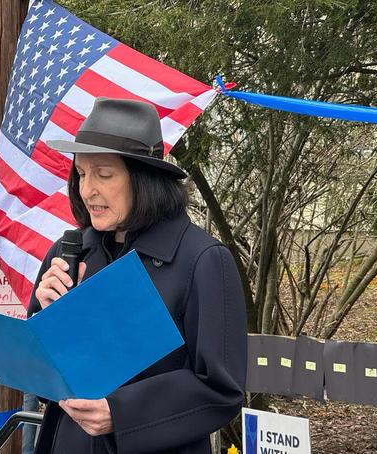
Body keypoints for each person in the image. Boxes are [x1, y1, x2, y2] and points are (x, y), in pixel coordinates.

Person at [30, 98, 247, 453]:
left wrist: (121, 414)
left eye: (104, 174)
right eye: (81, 173)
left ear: (144, 178)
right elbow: (42, 384)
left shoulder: (202, 260)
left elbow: (221, 390)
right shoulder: (69, 251)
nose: (87, 190)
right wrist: (48, 319)